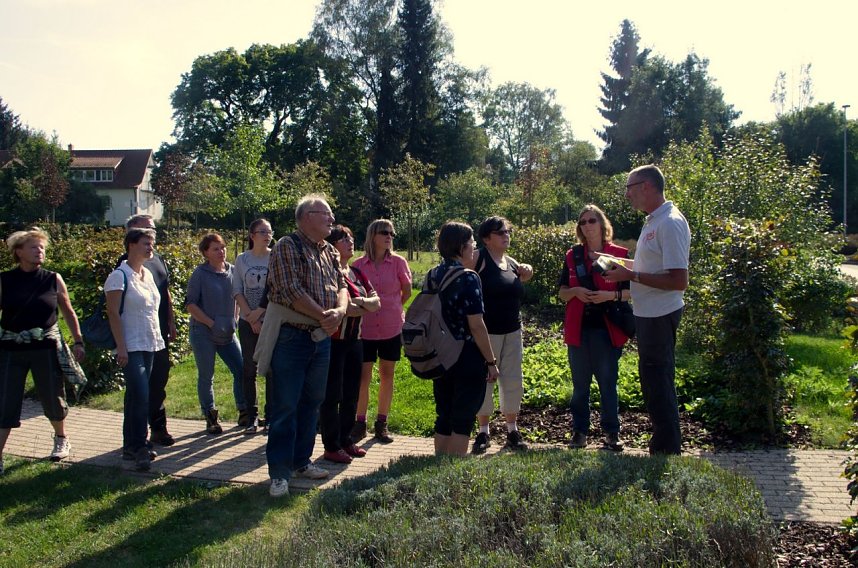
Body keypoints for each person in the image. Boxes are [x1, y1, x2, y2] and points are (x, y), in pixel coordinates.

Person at [263, 195, 348, 497]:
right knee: (285, 405)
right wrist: (324, 316)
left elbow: (342, 286)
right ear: (306, 216)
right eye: (326, 213)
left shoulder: (329, 252)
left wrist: (338, 312)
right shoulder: (288, 245)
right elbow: (288, 288)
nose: (331, 218)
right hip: (292, 338)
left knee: (312, 402)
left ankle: (302, 461)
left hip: (321, 338)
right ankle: (279, 473)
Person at [604, 164, 691, 455]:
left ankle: (666, 450)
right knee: (653, 380)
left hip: (659, 314)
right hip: (649, 314)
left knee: (658, 380)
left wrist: (631, 276)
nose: (627, 195)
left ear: (647, 186)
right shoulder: (653, 221)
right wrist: (619, 264)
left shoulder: (669, 222)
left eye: (629, 188)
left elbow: (679, 281)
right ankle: (663, 444)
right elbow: (648, 267)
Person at [0, 228, 85, 474]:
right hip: (10, 349)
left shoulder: (52, 278)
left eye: (42, 248)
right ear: (18, 252)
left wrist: (78, 341)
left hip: (45, 349)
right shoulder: (5, 280)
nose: (40, 252)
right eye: (34, 247)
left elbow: (68, 312)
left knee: (51, 396)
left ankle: (61, 438)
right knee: (5, 401)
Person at [558, 205, 632, 452]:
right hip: (578, 330)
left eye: (592, 221)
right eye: (582, 222)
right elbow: (561, 293)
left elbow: (634, 292)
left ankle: (612, 433)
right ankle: (580, 432)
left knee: (608, 383)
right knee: (580, 386)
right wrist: (576, 292)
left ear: (602, 224)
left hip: (607, 329)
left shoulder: (618, 254)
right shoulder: (572, 256)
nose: (587, 225)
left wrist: (608, 296)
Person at [429, 221, 499, 457]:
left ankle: (440, 463)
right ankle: (453, 472)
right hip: (466, 354)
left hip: (439, 352)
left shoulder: (433, 274)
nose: (474, 247)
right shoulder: (468, 277)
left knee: (444, 412)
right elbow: (477, 325)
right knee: (463, 415)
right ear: (461, 246)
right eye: (471, 242)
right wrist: (491, 361)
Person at [471, 216, 533, 454]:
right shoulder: (478, 258)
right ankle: (483, 432)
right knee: (486, 380)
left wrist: (527, 271)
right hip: (487, 333)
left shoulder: (509, 261)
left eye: (508, 231)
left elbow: (519, 280)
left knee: (513, 379)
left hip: (513, 330)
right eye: (500, 232)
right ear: (486, 238)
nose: (506, 235)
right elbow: (462, 278)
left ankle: (511, 430)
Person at [319, 225, 381, 464]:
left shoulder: (356, 272)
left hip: (356, 340)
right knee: (332, 394)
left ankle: (346, 439)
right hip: (334, 341)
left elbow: (376, 303)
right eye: (344, 239)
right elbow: (342, 307)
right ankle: (331, 445)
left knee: (352, 393)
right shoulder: (329, 272)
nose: (350, 242)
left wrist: (361, 302)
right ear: (332, 245)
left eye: (352, 238)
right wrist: (357, 307)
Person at [105, 228, 165, 471]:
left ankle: (130, 446)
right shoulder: (119, 276)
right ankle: (140, 445)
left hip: (149, 341)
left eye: (152, 243)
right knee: (140, 394)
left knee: (136, 395)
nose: (150, 248)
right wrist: (121, 346)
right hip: (130, 344)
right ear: (131, 245)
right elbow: (112, 313)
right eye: (145, 243)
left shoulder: (147, 275)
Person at [351, 219, 412, 444]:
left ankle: (381, 423)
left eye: (392, 233)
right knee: (363, 377)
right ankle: (359, 423)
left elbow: (406, 291)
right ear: (373, 235)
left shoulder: (398, 262)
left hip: (391, 328)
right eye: (384, 232)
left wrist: (393, 308)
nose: (389, 237)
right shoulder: (358, 265)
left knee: (387, 375)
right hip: (365, 329)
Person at [119, 214, 177, 447]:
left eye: (153, 229)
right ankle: (135, 440)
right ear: (132, 233)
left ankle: (158, 428)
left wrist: (171, 321)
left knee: (158, 381)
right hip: (135, 336)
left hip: (158, 332)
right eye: (147, 230)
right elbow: (117, 306)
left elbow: (166, 291)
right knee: (138, 389)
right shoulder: (124, 265)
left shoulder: (156, 259)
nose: (153, 234)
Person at [186, 233, 246, 435]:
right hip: (203, 331)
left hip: (227, 331)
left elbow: (238, 296)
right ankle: (210, 417)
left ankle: (244, 411)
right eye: (215, 249)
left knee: (241, 369)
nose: (221, 252)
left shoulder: (233, 271)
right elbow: (191, 304)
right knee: (207, 375)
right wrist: (211, 323)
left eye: (222, 248)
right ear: (205, 252)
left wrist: (235, 318)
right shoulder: (200, 273)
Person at [233, 218, 273, 434]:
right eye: (262, 231)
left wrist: (260, 314)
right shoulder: (242, 259)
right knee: (249, 369)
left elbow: (275, 290)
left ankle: (271, 416)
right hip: (248, 321)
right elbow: (237, 290)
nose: (267, 235)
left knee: (271, 369)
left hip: (270, 321)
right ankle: (252, 416)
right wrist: (250, 317)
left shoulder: (275, 257)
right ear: (252, 235)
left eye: (269, 232)